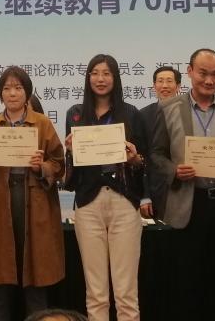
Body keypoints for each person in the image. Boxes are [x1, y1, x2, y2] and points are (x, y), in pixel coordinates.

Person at [150, 48, 215, 320]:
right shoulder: (168, 109)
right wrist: (174, 170)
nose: (209, 80)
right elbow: (156, 155)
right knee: (188, 283)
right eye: (203, 73)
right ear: (190, 72)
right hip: (189, 205)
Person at [0, 66, 65, 321]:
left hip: (35, 202)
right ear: (0, 94)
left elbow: (59, 164)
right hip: (1, 204)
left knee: (35, 280)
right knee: (0, 283)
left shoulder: (42, 124)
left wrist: (42, 167)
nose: (12, 93)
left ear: (27, 93)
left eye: (18, 88)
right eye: (7, 88)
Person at [64, 54, 145, 321]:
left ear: (115, 78)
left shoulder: (131, 113)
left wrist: (135, 159)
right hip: (88, 203)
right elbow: (72, 170)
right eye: (95, 73)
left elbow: (144, 162)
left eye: (107, 73)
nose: (101, 79)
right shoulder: (75, 114)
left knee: (126, 294)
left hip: (124, 201)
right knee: (96, 293)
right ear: (88, 77)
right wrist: (70, 152)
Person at [138, 66, 181, 220]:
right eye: (160, 81)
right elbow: (141, 157)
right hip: (155, 190)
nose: (164, 86)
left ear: (178, 86)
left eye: (169, 81)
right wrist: (144, 195)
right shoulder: (143, 115)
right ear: (154, 86)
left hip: (186, 189)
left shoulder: (190, 113)